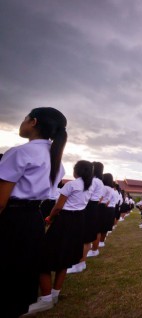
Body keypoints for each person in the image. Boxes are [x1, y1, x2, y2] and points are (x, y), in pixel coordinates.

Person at [0, 107, 67, 318]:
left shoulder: (21, 153)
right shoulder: (56, 161)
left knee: (7, 269)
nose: (23, 122)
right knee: (23, 271)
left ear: (33, 122)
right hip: (32, 219)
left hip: (12, 218)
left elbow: (1, 200)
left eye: (25, 119)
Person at [27, 160, 94, 314]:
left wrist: (49, 218)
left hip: (65, 220)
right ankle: (55, 294)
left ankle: (46, 298)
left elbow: (58, 207)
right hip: (79, 222)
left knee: (43, 258)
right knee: (65, 258)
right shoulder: (88, 186)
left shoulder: (71, 185)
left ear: (77, 171)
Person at [68, 161, 105, 273]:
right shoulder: (100, 182)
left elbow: (85, 194)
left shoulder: (93, 181)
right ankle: (81, 262)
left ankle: (80, 263)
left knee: (84, 237)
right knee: (87, 236)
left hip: (88, 207)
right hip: (93, 207)